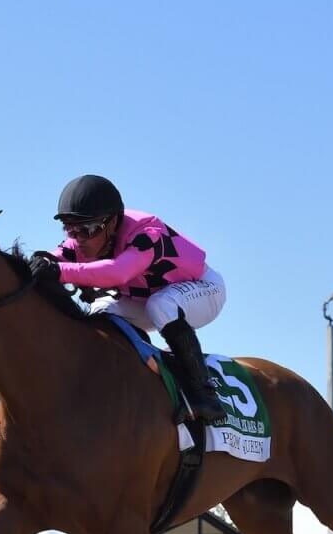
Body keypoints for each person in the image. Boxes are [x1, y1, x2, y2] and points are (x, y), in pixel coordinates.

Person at [29, 175, 227, 422]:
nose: (79, 239)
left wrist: (59, 271)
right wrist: (39, 262)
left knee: (161, 305)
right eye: (71, 229)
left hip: (204, 290)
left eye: (87, 229)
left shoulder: (147, 233)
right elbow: (55, 257)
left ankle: (204, 395)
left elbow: (118, 272)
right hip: (148, 300)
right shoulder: (84, 238)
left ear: (112, 222)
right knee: (101, 311)